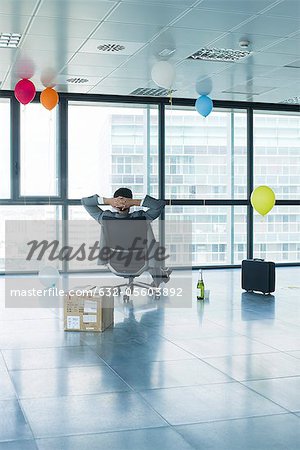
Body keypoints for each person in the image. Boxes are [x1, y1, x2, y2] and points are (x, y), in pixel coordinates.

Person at [81, 188, 172, 286]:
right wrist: (133, 202)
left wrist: (108, 201)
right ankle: (161, 276)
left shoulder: (105, 218)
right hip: (140, 261)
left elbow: (85, 202)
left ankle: (162, 275)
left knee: (151, 247)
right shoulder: (142, 217)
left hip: (116, 262)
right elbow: (159, 205)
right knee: (154, 247)